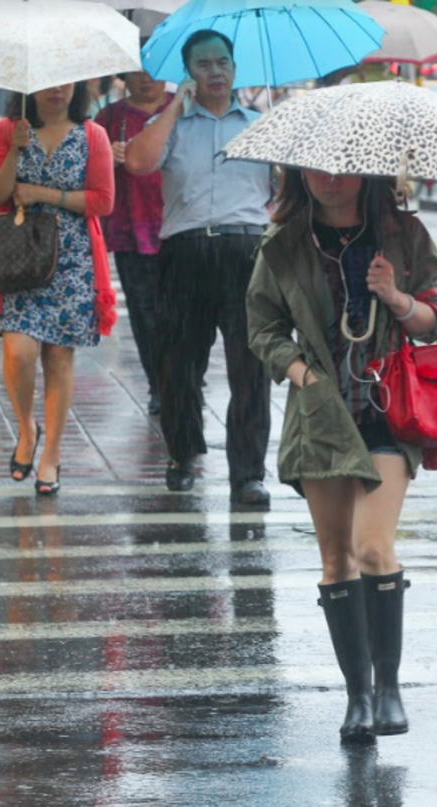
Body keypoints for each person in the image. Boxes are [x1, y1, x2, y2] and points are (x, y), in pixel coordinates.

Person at [247, 169, 437, 743]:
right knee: (337, 560)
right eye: (316, 171)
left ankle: (389, 689)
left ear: (365, 172)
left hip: (387, 409)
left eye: (341, 172)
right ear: (299, 175)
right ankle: (357, 696)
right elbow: (262, 328)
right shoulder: (283, 244)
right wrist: (301, 371)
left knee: (373, 547)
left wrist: (397, 297)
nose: (329, 181)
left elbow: (434, 323)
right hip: (321, 415)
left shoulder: (402, 235)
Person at [125, 29, 272, 505]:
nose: (215, 72)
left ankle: (248, 473)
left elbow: (286, 195)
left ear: (235, 69)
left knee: (250, 367)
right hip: (184, 252)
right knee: (178, 364)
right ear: (188, 73)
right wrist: (173, 108)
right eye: (204, 64)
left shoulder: (261, 125)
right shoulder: (171, 127)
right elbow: (140, 164)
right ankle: (182, 454)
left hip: (246, 253)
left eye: (223, 62)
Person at [0, 84, 115, 495]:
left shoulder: (92, 134)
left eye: (66, 82)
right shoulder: (8, 130)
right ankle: (27, 428)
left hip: (72, 260)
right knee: (17, 353)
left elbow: (104, 200)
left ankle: (51, 455)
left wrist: (46, 194)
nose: (57, 90)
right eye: (47, 83)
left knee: (59, 359)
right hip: (21, 258)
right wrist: (14, 151)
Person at [94, 71, 173, 415]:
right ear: (124, 76)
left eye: (155, 75)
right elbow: (88, 172)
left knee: (183, 313)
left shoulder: (181, 109)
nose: (146, 82)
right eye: (138, 74)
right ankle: (159, 384)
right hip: (130, 230)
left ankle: (184, 375)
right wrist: (106, 158)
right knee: (144, 314)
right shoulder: (109, 117)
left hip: (178, 226)